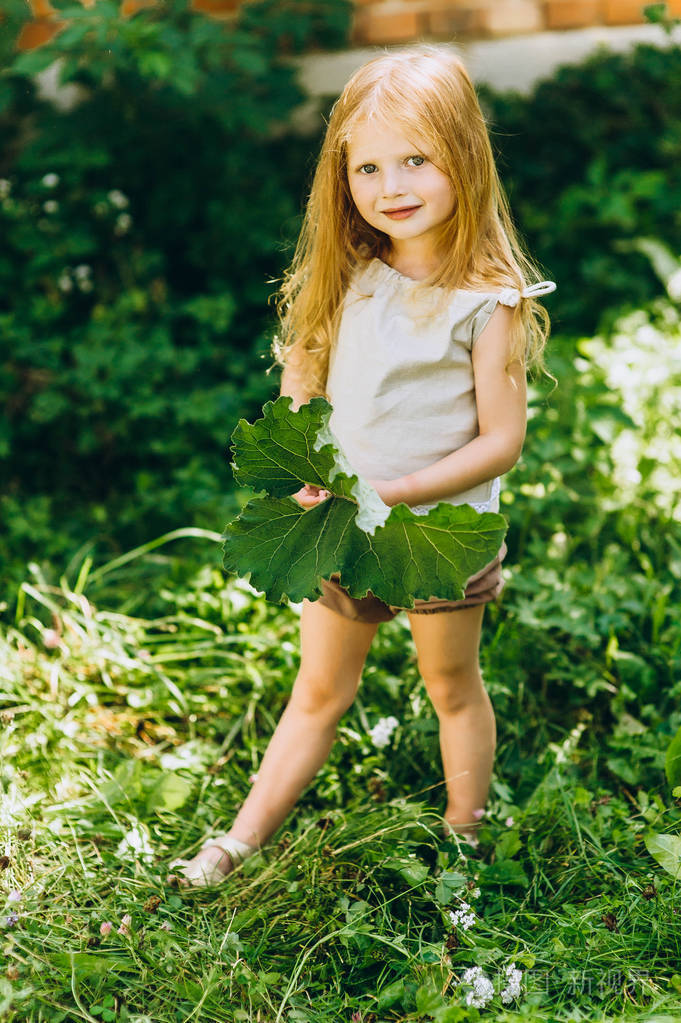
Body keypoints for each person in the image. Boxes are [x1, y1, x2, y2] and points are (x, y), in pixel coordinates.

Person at [169, 45, 555, 887]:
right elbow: (303, 379)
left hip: (435, 534)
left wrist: (396, 490)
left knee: (450, 682)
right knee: (317, 688)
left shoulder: (488, 302)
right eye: (368, 166)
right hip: (340, 524)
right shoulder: (347, 279)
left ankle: (463, 838)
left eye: (416, 158)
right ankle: (239, 840)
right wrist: (309, 465)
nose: (391, 186)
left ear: (464, 157)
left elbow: (500, 442)